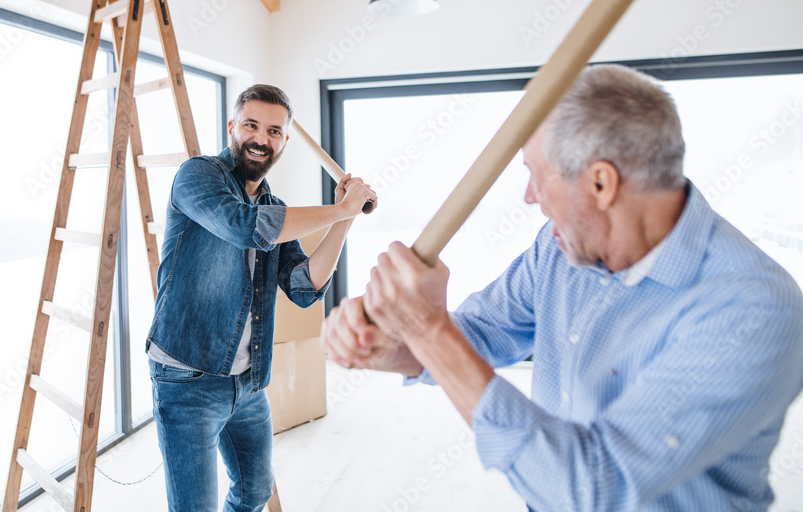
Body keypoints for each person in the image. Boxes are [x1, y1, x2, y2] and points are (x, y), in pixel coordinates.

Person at [322, 65, 803, 511]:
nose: (530, 197)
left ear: (600, 183)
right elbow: (483, 333)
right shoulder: (559, 250)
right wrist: (394, 348)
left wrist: (427, 331)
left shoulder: (754, 309)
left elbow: (595, 487)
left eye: (535, 174)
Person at [147, 84, 376, 512]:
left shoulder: (276, 207)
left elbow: (305, 287)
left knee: (254, 492)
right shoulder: (197, 177)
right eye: (251, 125)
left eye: (274, 131)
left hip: (248, 384)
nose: (261, 139)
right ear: (232, 126)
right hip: (187, 380)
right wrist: (341, 209)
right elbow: (245, 226)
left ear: (284, 142)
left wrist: (344, 218)